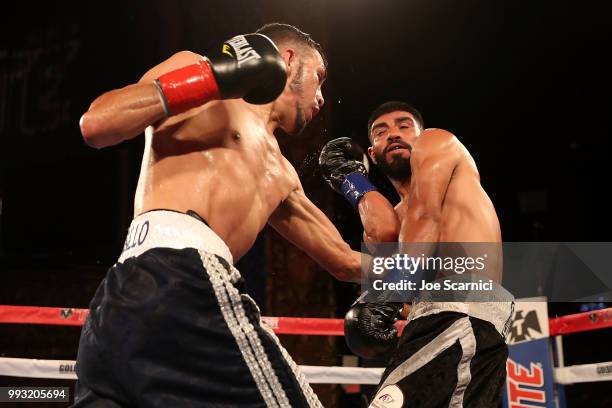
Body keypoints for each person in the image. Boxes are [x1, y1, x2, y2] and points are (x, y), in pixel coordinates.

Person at [73, 23, 362, 408]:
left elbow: (344, 262)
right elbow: (97, 124)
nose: (321, 97)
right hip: (181, 277)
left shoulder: (282, 173)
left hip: (122, 310)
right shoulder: (197, 72)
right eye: (318, 78)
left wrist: (454, 270)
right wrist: (210, 78)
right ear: (289, 61)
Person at [319, 101, 514, 407]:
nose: (394, 134)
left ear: (421, 135)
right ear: (372, 153)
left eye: (404, 125)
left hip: (460, 311)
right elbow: (376, 243)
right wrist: (351, 180)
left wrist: (391, 295)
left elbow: (425, 217)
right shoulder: (401, 221)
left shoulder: (436, 141)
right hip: (441, 322)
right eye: (381, 132)